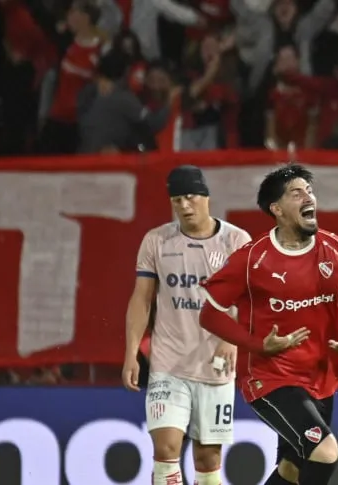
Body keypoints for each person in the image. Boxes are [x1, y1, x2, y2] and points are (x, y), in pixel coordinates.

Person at [197, 163, 338, 485]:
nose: (308, 197)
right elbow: (210, 314)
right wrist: (258, 345)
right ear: (277, 209)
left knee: (292, 470)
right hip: (270, 378)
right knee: (325, 452)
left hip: (321, 378)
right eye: (297, 193)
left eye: (309, 191)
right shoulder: (251, 259)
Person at [122, 165, 252, 485]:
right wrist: (130, 353)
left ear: (206, 197)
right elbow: (141, 299)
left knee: (208, 459)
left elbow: (250, 300)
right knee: (166, 449)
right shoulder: (157, 241)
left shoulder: (236, 241)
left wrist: (230, 338)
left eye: (190, 197)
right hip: (168, 363)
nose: (184, 205)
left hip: (215, 364)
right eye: (177, 200)